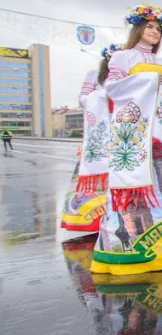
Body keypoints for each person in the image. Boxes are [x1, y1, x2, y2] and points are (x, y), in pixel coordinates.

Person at [90, 5, 162, 275]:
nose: (154, 32)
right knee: (135, 189)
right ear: (138, 28)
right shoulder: (122, 57)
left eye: (159, 29)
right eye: (150, 27)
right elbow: (113, 89)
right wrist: (149, 80)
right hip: (135, 133)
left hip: (160, 133)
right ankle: (134, 246)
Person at [61, 50, 111, 233]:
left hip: (119, 130)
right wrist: (102, 95)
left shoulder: (127, 73)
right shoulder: (94, 75)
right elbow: (83, 99)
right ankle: (91, 218)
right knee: (95, 177)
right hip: (99, 133)